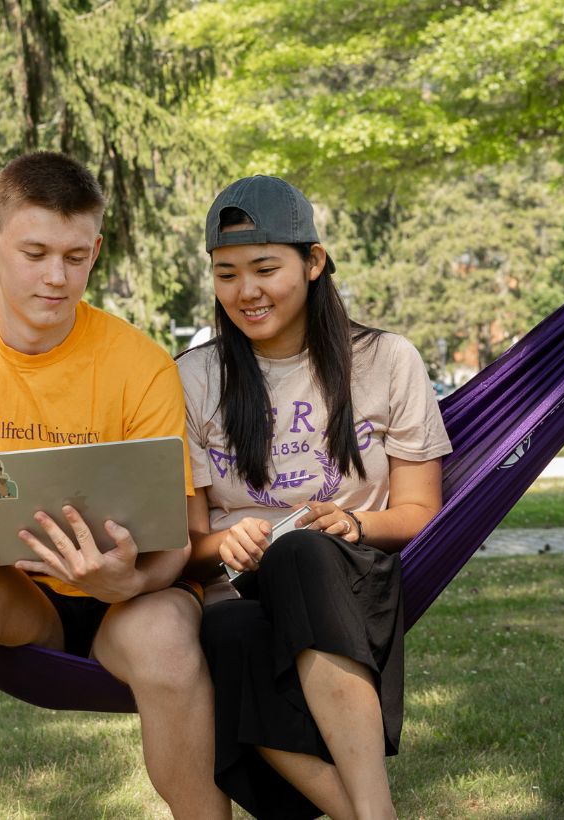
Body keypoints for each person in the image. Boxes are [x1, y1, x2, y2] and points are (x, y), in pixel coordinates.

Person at [0, 152, 229, 820]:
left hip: (131, 599)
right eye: (35, 252)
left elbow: (176, 539)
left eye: (75, 256)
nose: (56, 276)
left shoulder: (142, 364)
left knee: (166, 639)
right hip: (21, 598)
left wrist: (130, 581)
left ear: (95, 251)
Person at [180, 176, 451, 820]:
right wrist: (224, 543)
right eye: (226, 274)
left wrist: (355, 524)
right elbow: (187, 547)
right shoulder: (193, 378)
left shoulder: (386, 360)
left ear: (314, 260)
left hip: (344, 581)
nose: (246, 292)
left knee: (301, 551)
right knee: (229, 630)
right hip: (238, 588)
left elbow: (420, 512)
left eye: (266, 268)